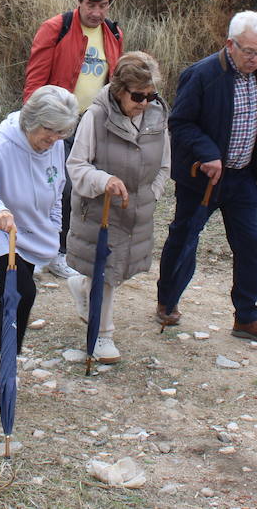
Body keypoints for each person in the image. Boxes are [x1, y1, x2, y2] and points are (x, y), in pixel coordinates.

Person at [154, 10, 257, 342]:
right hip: (202, 179)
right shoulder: (201, 74)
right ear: (230, 44)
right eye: (250, 51)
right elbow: (180, 123)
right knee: (184, 237)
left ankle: (247, 317)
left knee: (250, 244)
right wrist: (208, 153)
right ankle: (167, 299)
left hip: (242, 177)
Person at [0, 86, 80, 388]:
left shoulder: (52, 142)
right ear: (31, 121)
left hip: (31, 228)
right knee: (22, 293)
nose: (53, 140)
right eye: (49, 131)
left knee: (11, 295)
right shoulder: (3, 144)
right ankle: (2, 361)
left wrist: (53, 228)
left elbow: (56, 189)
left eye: (60, 134)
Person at [65, 51, 170, 364]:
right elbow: (77, 165)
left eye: (151, 96)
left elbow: (164, 165)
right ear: (119, 90)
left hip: (138, 210)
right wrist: (103, 180)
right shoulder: (95, 117)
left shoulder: (157, 117)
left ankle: (80, 287)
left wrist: (151, 194)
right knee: (107, 273)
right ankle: (102, 335)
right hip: (100, 210)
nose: (145, 103)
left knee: (118, 271)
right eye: (138, 96)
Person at [22, 0, 123, 278]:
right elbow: (36, 77)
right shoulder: (56, 28)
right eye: (91, 5)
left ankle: (66, 250)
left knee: (81, 192)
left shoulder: (113, 34)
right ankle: (43, 250)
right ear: (79, 1)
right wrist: (31, 123)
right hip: (58, 123)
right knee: (53, 188)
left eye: (103, 6)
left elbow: (114, 80)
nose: (97, 12)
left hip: (95, 124)